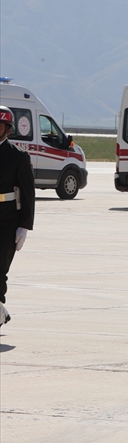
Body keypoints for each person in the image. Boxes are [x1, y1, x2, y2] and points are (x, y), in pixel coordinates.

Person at [0, 106, 35, 327]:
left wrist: (24, 226)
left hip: (7, 219)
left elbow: (28, 194)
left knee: (0, 269)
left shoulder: (18, 157)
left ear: (8, 129)